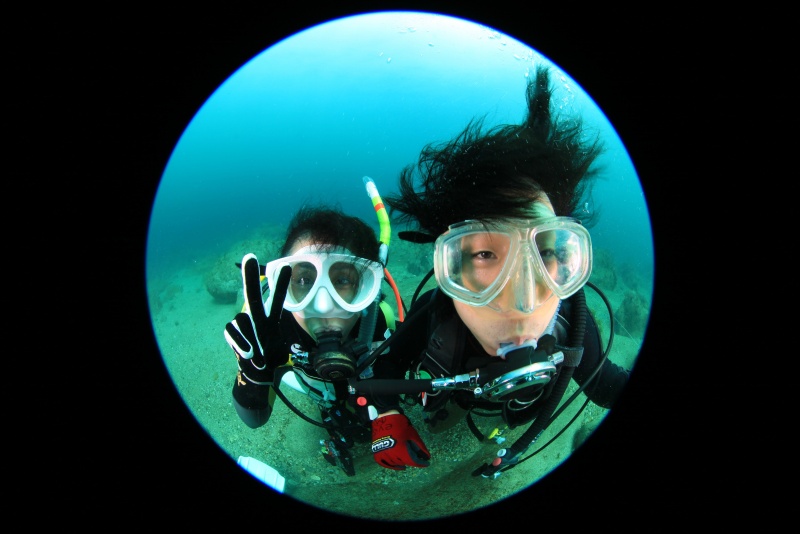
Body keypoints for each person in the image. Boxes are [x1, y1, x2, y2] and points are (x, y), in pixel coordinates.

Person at [379, 65, 631, 478]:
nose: (523, 301)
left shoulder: (573, 325)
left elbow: (606, 384)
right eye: (484, 254)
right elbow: (387, 367)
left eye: (546, 252)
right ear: (449, 266)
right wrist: (386, 414)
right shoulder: (436, 314)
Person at [223, 205, 430, 477]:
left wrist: (387, 409)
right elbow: (254, 419)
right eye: (304, 279)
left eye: (342, 279)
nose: (322, 306)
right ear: (284, 284)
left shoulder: (377, 322)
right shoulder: (273, 332)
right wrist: (252, 376)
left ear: (366, 286)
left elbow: (388, 371)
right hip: (306, 383)